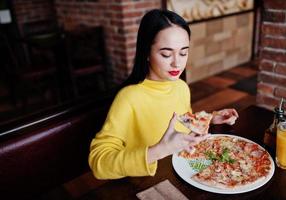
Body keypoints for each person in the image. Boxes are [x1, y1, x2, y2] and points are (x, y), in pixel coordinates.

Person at [88, 9, 238, 179]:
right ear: (146, 52)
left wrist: (210, 119)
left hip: (180, 170)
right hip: (148, 181)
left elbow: (181, 121)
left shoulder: (181, 87)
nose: (177, 63)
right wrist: (160, 150)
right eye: (166, 54)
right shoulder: (129, 97)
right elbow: (98, 162)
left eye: (183, 52)